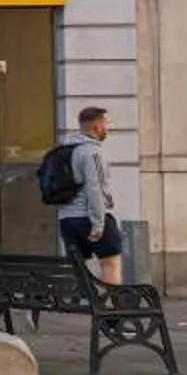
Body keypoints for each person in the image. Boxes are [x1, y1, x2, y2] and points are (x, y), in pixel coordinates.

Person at [57, 105, 124, 285]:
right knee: (110, 264)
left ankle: (88, 299)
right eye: (106, 124)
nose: (107, 128)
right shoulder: (93, 152)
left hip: (67, 219)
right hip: (90, 216)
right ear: (97, 127)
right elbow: (95, 188)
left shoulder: (64, 151)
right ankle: (111, 301)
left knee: (81, 268)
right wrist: (98, 224)